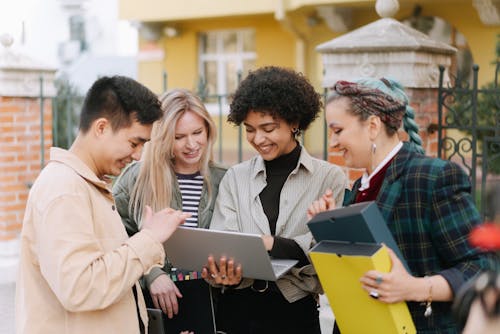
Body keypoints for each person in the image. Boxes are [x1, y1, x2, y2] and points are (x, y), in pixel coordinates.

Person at [307, 77, 496, 333]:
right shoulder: (355, 191)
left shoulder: (433, 178)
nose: (332, 143)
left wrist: (413, 288)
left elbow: (482, 267)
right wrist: (331, 232)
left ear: (373, 126)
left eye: (338, 130)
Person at [15, 76, 190, 334]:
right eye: (134, 142)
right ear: (101, 128)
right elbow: (81, 288)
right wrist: (149, 238)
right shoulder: (65, 189)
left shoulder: (88, 185)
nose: (138, 155)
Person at [201, 66, 348, 334]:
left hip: (295, 312)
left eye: (268, 128)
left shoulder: (329, 178)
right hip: (236, 310)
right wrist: (225, 273)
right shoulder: (236, 177)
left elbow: (325, 251)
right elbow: (224, 240)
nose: (258, 139)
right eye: (249, 130)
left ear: (294, 122)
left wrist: (268, 243)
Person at [113, 88, 227, 319]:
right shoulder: (137, 177)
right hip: (154, 304)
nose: (191, 144)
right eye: (179, 137)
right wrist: (151, 273)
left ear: (208, 130)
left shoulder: (225, 179)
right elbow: (114, 236)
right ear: (163, 137)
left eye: (197, 132)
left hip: (213, 303)